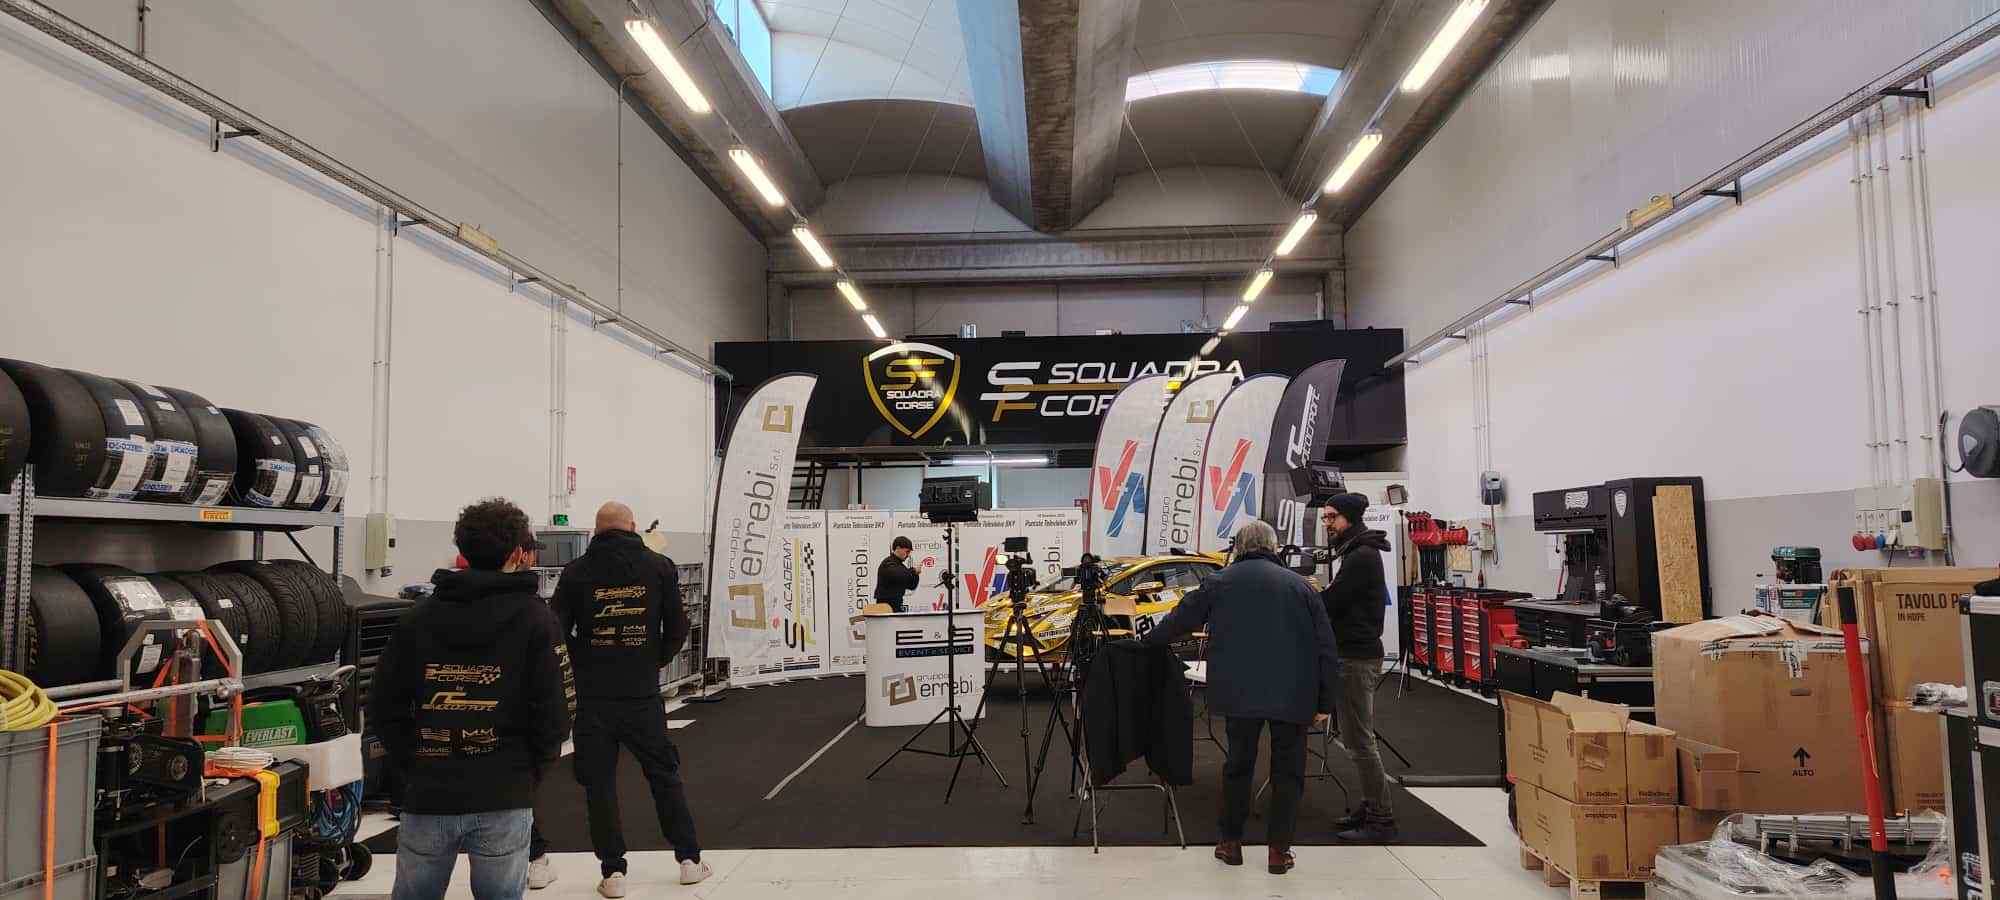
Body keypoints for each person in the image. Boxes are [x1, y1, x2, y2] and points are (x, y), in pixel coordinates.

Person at [372, 498, 570, 900]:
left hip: (428, 792)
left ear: (462, 549)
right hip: (504, 792)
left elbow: (383, 706)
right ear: (518, 554)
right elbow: (556, 713)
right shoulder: (537, 620)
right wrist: (527, 773)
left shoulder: (417, 618)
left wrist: (413, 763)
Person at [1140, 520, 1339, 875]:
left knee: (1238, 766)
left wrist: (1143, 645)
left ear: (1239, 547)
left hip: (1238, 691)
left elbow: (1177, 622)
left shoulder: (1218, 582)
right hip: (1294, 692)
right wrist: (1325, 701)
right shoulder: (1301, 586)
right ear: (1273, 547)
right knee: (1288, 771)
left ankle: (1230, 843)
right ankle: (1279, 852)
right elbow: (1326, 647)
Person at [551, 502, 707, 895]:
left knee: (599, 785)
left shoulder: (575, 572)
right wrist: (652, 660)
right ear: (633, 527)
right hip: (641, 693)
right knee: (663, 774)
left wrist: (585, 659)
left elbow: (557, 631)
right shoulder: (659, 567)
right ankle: (689, 859)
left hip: (594, 698)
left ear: (596, 531)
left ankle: (613, 872)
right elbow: (678, 627)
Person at [1320, 492, 1398, 842]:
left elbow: (1333, 602)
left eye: (1332, 517)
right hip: (1354, 654)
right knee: (1356, 739)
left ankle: (1381, 819)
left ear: (1349, 517)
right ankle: (1371, 806)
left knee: (1360, 742)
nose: (1327, 523)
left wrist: (1309, 595)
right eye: (1325, 517)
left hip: (1356, 657)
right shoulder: (1356, 552)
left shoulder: (1361, 556)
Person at [872, 535, 920, 612]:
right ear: (898, 548)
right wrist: (913, 571)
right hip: (885, 608)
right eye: (907, 551)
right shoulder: (888, 563)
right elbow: (898, 575)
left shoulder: (901, 566)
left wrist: (916, 574)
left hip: (896, 606)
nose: (908, 555)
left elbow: (912, 586)